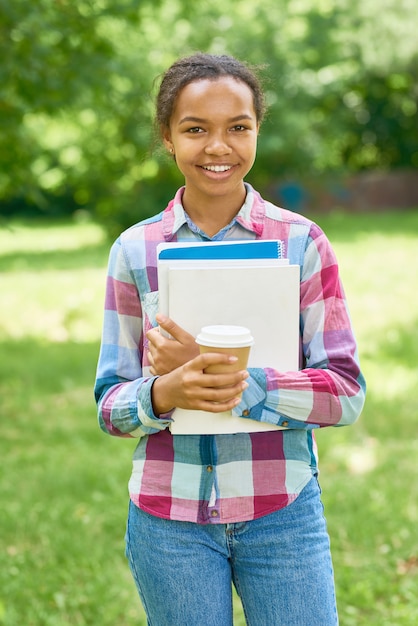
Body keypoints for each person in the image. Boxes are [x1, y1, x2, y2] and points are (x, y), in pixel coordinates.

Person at [94, 52, 366, 626]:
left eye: (238, 127)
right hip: (169, 523)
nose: (219, 146)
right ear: (168, 138)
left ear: (257, 131)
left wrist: (227, 378)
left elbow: (344, 394)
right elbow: (111, 407)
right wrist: (166, 391)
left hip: (282, 513)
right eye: (196, 129)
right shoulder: (134, 253)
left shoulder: (302, 244)